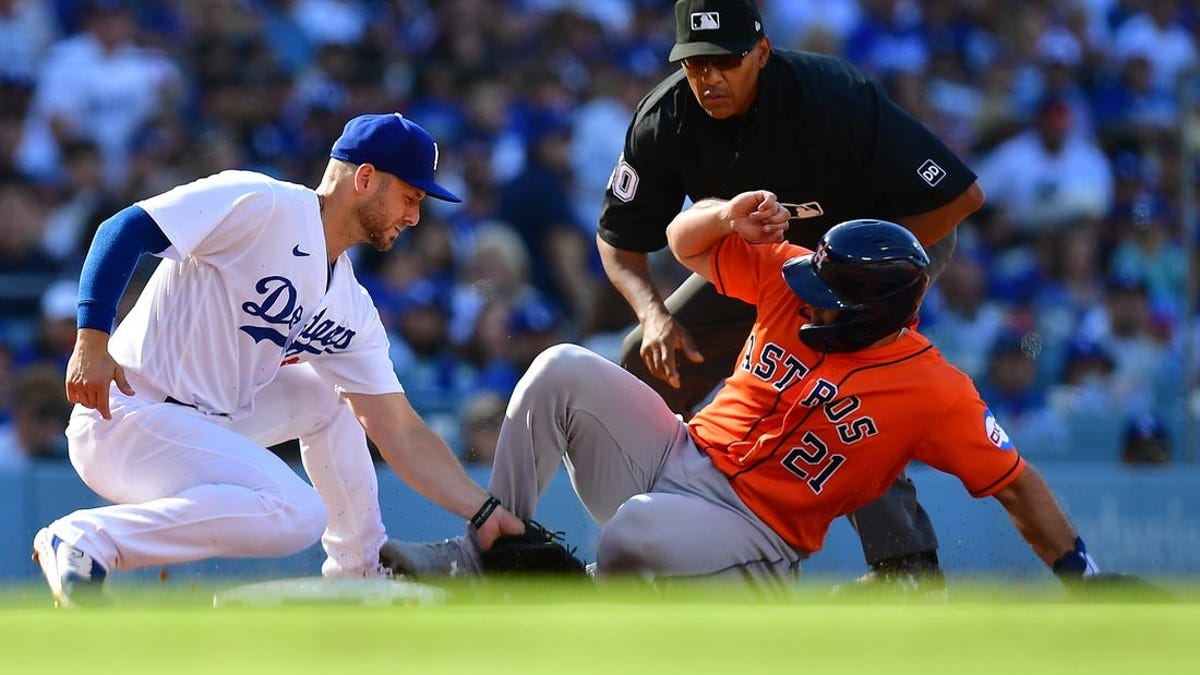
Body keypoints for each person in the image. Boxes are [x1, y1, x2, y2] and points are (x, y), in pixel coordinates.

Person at [382, 192, 1105, 592]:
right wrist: (726, 215)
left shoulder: (934, 389)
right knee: (559, 367)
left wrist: (1083, 573)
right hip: (677, 452)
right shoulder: (795, 274)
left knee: (633, 529)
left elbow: (1014, 482)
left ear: (880, 309)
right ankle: (490, 552)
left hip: (753, 536)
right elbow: (682, 238)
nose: (809, 297)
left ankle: (566, 596)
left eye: (829, 297)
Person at [32, 112, 525, 607]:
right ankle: (87, 539)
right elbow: (124, 229)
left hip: (209, 424)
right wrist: (91, 340)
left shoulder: (350, 303)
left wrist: (484, 512)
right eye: (410, 197)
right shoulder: (262, 204)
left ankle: (361, 567)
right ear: (366, 178)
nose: (415, 216)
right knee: (298, 513)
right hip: (129, 416)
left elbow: (398, 429)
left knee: (329, 397)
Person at [594, 0, 986, 587]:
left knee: (831, 377)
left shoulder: (831, 95)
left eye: (726, 60)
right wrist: (653, 315)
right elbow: (619, 240)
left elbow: (959, 197)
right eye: (696, 63)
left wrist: (855, 274)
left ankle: (906, 569)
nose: (710, 78)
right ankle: (654, 537)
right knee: (641, 361)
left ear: (761, 51)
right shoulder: (665, 118)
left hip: (873, 259)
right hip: (764, 264)